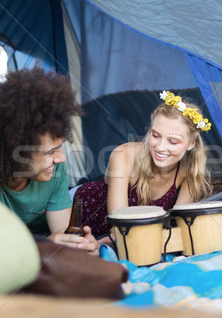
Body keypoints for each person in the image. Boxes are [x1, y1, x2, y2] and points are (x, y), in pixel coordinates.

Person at [0, 66, 99, 255]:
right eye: (51, 152)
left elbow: (63, 235)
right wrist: (41, 246)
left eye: (61, 147)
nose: (61, 158)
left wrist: (82, 249)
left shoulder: (53, 169)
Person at [75, 90, 212, 239]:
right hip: (77, 208)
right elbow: (118, 229)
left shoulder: (188, 171)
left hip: (126, 236)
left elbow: (180, 227)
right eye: (155, 135)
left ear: (191, 144)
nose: (160, 147)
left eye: (172, 141)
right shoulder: (124, 155)